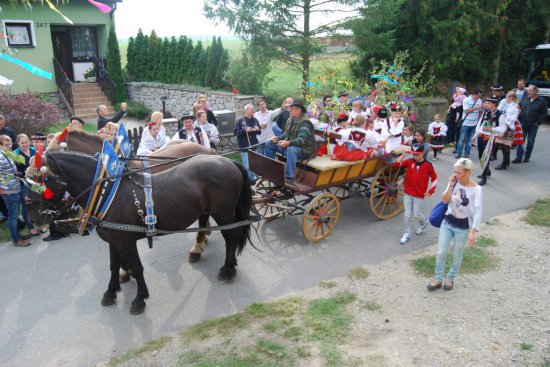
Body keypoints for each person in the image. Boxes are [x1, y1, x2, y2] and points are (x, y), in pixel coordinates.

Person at [427, 158, 482, 291]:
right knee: (441, 252)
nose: (456, 175)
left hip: (462, 227)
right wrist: (451, 185)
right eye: (455, 172)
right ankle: (438, 279)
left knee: (457, 254)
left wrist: (473, 231)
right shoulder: (454, 182)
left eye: (459, 173)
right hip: (448, 222)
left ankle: (450, 278)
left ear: (468, 172)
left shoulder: (477, 189)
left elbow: (478, 211)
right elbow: (445, 199)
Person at [394, 143, 438, 245]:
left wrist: (431, 191)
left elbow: (435, 178)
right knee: (407, 214)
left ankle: (423, 224)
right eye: (413, 154)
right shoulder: (409, 161)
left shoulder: (428, 165)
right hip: (408, 192)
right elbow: (396, 164)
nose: (415, 157)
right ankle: (406, 234)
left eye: (417, 154)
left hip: (419, 194)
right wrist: (403, 155)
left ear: (422, 153)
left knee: (417, 214)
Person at [265, 100, 315, 184]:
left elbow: (301, 140)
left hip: (304, 150)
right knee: (269, 143)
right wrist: (276, 138)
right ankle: (271, 170)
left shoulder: (305, 123)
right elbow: (285, 134)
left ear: (299, 110)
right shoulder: (290, 119)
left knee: (291, 149)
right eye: (290, 108)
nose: (290, 110)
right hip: (291, 146)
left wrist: (288, 143)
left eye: (292, 109)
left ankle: (289, 177)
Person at [0, 135, 31, 247]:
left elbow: (12, 171)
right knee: (12, 216)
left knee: (15, 215)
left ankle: (17, 235)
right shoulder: (0, 157)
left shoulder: (10, 154)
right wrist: (1, 190)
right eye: (6, 145)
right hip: (9, 192)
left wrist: (24, 174)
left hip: (16, 187)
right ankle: (16, 240)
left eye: (10, 144)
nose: (9, 146)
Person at [512, 85, 548, 164]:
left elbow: (543, 113)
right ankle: (518, 157)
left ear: (535, 91)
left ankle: (527, 156)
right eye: (528, 91)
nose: (528, 92)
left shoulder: (542, 101)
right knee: (520, 141)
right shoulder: (525, 99)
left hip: (533, 125)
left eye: (530, 91)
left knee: (530, 142)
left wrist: (537, 123)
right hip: (523, 124)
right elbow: (519, 108)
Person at [473, 97, 505, 186]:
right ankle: (486, 171)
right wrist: (476, 135)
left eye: (488, 103)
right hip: (481, 136)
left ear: (494, 104)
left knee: (485, 157)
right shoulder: (486, 112)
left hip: (490, 138)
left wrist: (491, 128)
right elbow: (480, 124)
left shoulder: (500, 114)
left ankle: (484, 177)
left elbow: (503, 127)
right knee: (480, 156)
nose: (486, 104)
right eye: (486, 103)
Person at [13, 134, 38, 236]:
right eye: (22, 143)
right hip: (24, 183)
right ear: (18, 143)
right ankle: (30, 227)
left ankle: (39, 224)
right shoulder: (16, 155)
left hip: (36, 181)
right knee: (26, 205)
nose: (25, 144)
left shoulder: (33, 150)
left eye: (26, 142)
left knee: (37, 203)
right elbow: (15, 172)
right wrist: (25, 174)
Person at [234, 104, 260, 182]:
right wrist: (244, 130)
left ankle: (253, 180)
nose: (253, 110)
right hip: (245, 147)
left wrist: (258, 129)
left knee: (254, 165)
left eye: (253, 109)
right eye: (251, 109)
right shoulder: (241, 121)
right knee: (247, 166)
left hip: (254, 146)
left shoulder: (255, 120)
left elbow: (259, 132)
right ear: (247, 111)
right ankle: (247, 181)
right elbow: (236, 132)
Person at [495, 91, 520, 170]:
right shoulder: (508, 105)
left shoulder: (516, 107)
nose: (506, 98)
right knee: (503, 146)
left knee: (506, 146)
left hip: (510, 128)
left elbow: (514, 119)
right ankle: (506, 161)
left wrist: (506, 123)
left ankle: (504, 164)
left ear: (512, 98)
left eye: (508, 97)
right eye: (506, 97)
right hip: (505, 126)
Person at [455, 88, 483, 159]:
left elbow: (480, 111)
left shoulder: (479, 101)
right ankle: (458, 152)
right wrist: (477, 107)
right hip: (466, 123)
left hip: (474, 123)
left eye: (480, 96)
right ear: (474, 94)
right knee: (462, 139)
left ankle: (467, 153)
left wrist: (479, 121)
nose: (479, 98)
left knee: (470, 140)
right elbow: (466, 110)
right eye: (478, 96)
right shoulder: (466, 100)